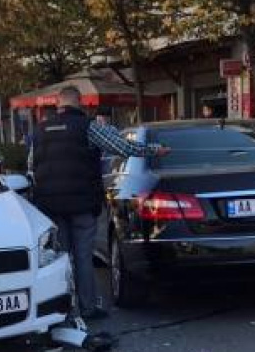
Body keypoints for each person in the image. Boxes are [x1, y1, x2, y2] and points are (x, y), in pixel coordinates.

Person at [31, 87, 169, 321]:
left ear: (58, 103)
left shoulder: (40, 130)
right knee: (84, 257)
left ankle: (62, 311)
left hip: (50, 206)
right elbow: (123, 148)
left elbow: (32, 167)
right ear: (80, 103)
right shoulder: (88, 127)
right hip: (82, 203)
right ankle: (87, 308)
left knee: (60, 258)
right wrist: (156, 150)